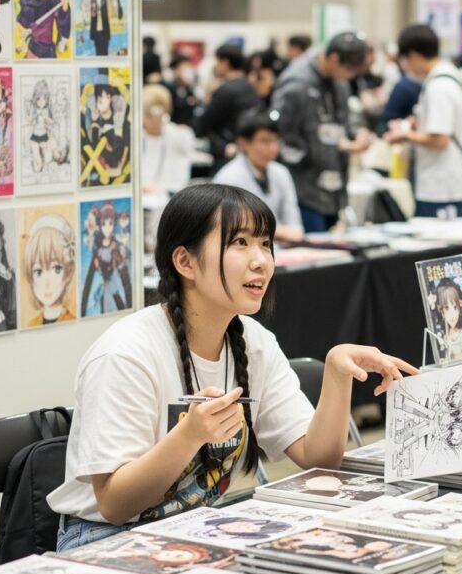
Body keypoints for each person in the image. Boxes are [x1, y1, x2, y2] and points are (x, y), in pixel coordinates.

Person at [48, 183, 417, 548]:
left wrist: (336, 374)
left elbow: (317, 457)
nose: (261, 261)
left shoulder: (252, 342)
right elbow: (114, 504)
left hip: (200, 526)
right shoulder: (124, 354)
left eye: (265, 243)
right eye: (239, 242)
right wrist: (189, 435)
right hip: (106, 538)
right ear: (185, 262)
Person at [271, 32, 370, 233]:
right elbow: (281, 137)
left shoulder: (340, 82)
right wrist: (331, 144)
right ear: (334, 58)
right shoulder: (296, 83)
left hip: (335, 190)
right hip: (304, 188)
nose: (350, 76)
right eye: (349, 70)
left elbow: (347, 120)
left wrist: (357, 133)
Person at [385, 24, 462, 218]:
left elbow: (440, 140)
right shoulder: (448, 77)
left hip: (441, 187)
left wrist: (404, 134)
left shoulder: (439, 86)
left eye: (405, 60)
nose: (405, 66)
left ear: (414, 55)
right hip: (445, 183)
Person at [213, 113, 304, 243]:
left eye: (275, 141)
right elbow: (238, 228)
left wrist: (286, 233)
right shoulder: (228, 177)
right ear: (243, 143)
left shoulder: (281, 172)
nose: (273, 148)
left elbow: (295, 225)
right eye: (265, 141)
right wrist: (281, 232)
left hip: (281, 248)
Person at [193, 43, 262, 173]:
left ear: (225, 62)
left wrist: (206, 103)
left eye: (217, 62)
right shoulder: (250, 88)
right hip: (245, 153)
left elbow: (203, 125)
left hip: (226, 155)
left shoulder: (225, 90)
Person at [141, 84, 195, 196]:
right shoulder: (137, 137)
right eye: (146, 115)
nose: (150, 120)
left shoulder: (179, 135)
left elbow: (180, 179)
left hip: (168, 198)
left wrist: (162, 189)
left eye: (151, 115)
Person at [164, 53, 201, 128]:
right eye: (183, 68)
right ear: (175, 70)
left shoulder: (190, 88)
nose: (186, 71)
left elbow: (195, 105)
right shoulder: (169, 87)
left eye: (188, 67)